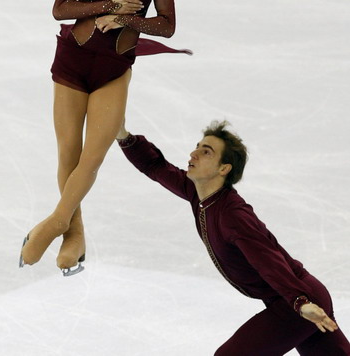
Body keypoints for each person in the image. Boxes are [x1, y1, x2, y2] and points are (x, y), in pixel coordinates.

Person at [19, 0, 185, 276]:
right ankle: (75, 235)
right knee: (69, 154)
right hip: (73, 61)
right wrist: (104, 7)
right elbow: (61, 9)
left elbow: (166, 25)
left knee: (92, 158)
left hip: (114, 69)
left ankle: (56, 224)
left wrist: (127, 19)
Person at [116, 120, 350, 355]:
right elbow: (156, 166)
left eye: (206, 151)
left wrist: (300, 303)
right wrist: (123, 135)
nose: (193, 153)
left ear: (224, 168)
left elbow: (268, 260)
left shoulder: (233, 215)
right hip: (292, 297)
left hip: (298, 299)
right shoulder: (199, 194)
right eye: (197, 146)